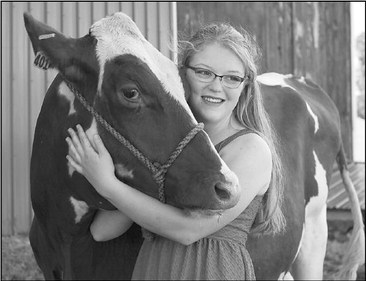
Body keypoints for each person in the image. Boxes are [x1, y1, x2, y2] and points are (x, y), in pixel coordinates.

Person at [66, 22, 285, 280]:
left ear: (245, 86)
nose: (217, 86)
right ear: (181, 75)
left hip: (211, 272)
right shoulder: (165, 149)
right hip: (154, 269)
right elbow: (103, 230)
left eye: (232, 78)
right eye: (204, 72)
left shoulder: (251, 148)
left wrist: (107, 185)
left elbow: (189, 230)